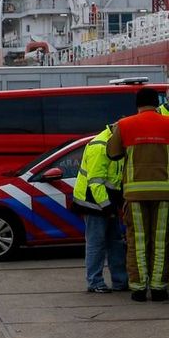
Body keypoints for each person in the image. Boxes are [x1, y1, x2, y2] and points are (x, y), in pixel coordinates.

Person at [106, 87, 169, 301]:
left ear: (137, 104)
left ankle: (139, 288)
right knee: (161, 241)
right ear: (156, 103)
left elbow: (113, 154)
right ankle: (159, 288)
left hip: (134, 195)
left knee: (137, 241)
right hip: (165, 193)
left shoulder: (125, 125)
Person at [72, 123, 128, 293]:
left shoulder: (115, 144)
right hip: (92, 201)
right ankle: (95, 282)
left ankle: (120, 281)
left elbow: (114, 178)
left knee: (115, 242)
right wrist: (108, 207)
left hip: (105, 199)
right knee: (97, 243)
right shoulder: (100, 146)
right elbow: (95, 182)